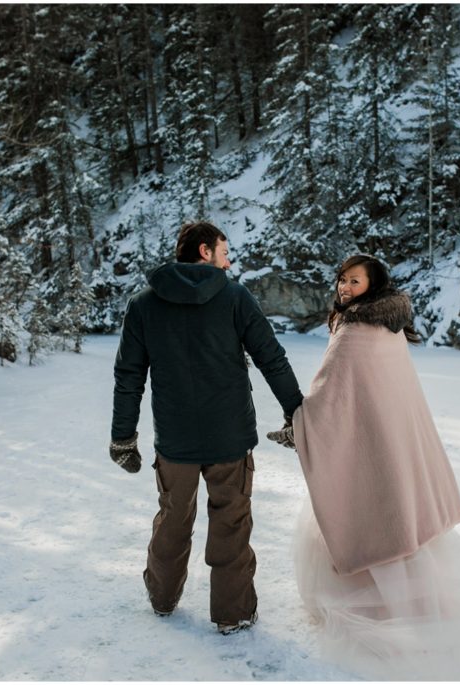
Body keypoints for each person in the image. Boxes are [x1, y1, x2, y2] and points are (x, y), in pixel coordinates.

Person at [268, 254, 460, 679]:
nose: (344, 287)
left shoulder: (355, 330)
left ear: (373, 285)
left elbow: (330, 391)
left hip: (369, 445)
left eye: (354, 281)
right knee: (397, 516)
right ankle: (411, 605)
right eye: (342, 280)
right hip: (390, 443)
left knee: (369, 516)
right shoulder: (389, 327)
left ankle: (383, 612)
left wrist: (300, 424)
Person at [110, 221, 303, 635]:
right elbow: (271, 357)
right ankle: (232, 614)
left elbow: (129, 375)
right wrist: (296, 412)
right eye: (224, 251)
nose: (228, 260)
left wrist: (123, 436)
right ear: (204, 252)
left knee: (173, 519)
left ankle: (162, 599)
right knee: (231, 522)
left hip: (175, 440)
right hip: (230, 438)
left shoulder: (144, 304)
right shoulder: (234, 297)